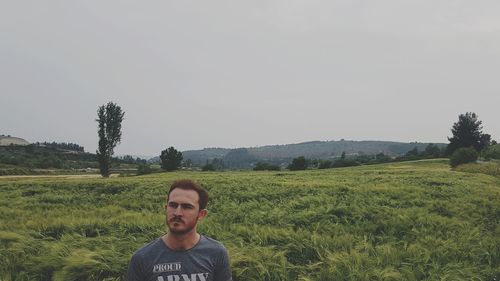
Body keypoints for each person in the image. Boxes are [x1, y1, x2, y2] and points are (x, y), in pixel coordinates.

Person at [126, 179, 232, 281]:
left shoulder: (216, 253)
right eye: (173, 205)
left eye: (187, 207)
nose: (177, 212)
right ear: (166, 208)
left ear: (201, 214)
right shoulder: (142, 258)